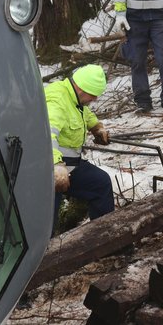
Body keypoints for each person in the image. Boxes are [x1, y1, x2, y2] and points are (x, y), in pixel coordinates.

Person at [45, 64, 114, 230]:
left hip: (70, 165)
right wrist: (56, 166)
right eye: (93, 95)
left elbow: (83, 112)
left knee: (101, 183)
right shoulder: (57, 101)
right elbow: (46, 134)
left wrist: (96, 126)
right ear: (82, 88)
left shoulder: (74, 96)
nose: (95, 99)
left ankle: (103, 237)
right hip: (47, 168)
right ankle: (46, 250)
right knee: (47, 217)